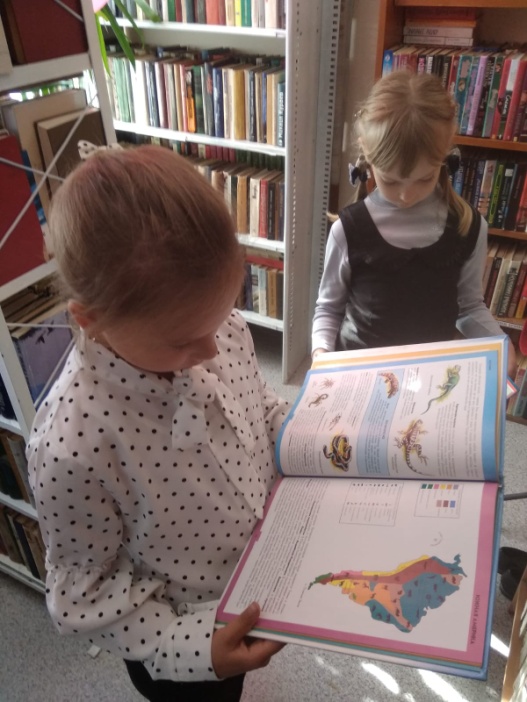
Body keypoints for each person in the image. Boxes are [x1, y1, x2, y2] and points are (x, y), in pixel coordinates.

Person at [26, 145, 289, 702]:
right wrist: (195, 647)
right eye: (185, 340)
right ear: (91, 320)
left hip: (256, 576)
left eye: (222, 315)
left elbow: (255, 403)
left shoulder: (216, 329)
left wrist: (300, 431)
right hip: (185, 638)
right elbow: (84, 594)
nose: (213, 347)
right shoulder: (73, 448)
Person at [312, 71, 517, 377]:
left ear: (445, 158)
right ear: (367, 157)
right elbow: (329, 308)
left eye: (424, 179)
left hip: (426, 379)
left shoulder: (467, 227)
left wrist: (501, 344)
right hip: (359, 376)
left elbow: (469, 306)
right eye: (391, 181)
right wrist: (321, 355)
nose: (406, 195)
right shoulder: (348, 231)